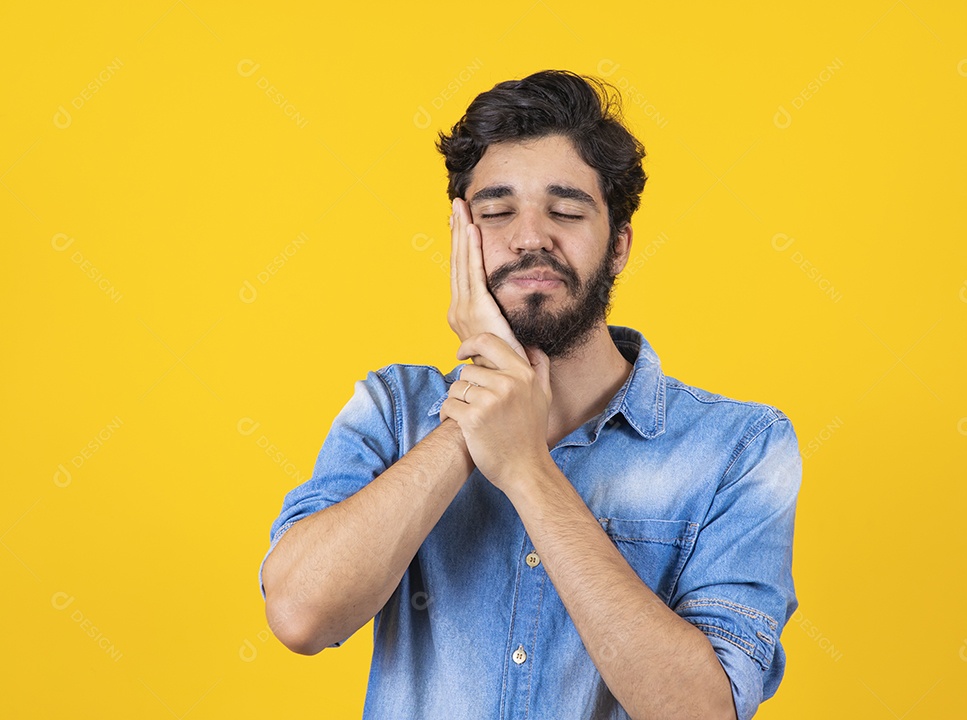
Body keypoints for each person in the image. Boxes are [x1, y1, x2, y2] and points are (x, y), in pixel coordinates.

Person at [259, 69, 801, 720]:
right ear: (461, 238)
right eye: (496, 212)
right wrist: (471, 422)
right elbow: (300, 615)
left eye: (565, 211)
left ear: (619, 245)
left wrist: (526, 470)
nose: (530, 237)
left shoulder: (741, 447)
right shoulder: (392, 408)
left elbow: (701, 711)